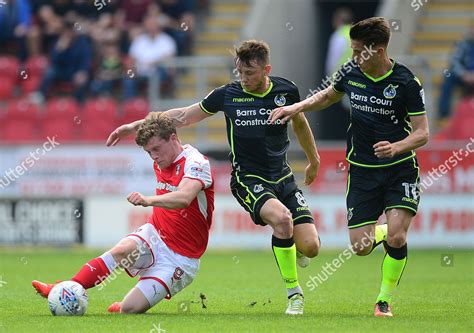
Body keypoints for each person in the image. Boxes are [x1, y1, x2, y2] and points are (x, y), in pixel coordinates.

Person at [106, 40, 321, 315]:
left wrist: (314, 160)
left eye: (250, 73)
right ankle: (294, 294)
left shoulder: (286, 90)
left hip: (284, 176)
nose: (243, 79)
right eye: (239, 72)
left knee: (312, 247)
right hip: (248, 177)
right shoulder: (227, 94)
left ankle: (294, 247)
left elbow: (300, 124)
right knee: (281, 219)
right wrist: (134, 126)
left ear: (266, 69)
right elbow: (182, 116)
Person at [270, 17, 429, 317]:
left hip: (400, 169)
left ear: (379, 51)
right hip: (362, 170)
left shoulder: (406, 82)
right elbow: (328, 96)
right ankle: (381, 231)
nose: (354, 57)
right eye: (353, 50)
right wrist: (296, 107)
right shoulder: (351, 72)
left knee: (397, 236)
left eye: (359, 51)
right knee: (361, 247)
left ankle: (383, 300)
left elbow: (423, 133)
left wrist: (397, 147)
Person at [32, 113, 215, 314]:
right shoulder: (162, 154)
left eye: (156, 149)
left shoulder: (196, 162)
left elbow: (184, 197)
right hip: (155, 234)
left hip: (182, 257)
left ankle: (126, 305)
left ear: (173, 138)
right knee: (121, 251)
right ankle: (63, 288)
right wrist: (129, 127)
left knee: (129, 310)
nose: (153, 156)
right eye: (148, 152)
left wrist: (148, 200)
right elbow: (156, 121)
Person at [438, 24, 474, 120]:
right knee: (448, 77)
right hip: (464, 76)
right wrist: (463, 74)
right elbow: (454, 61)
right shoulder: (462, 43)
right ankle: (443, 114)